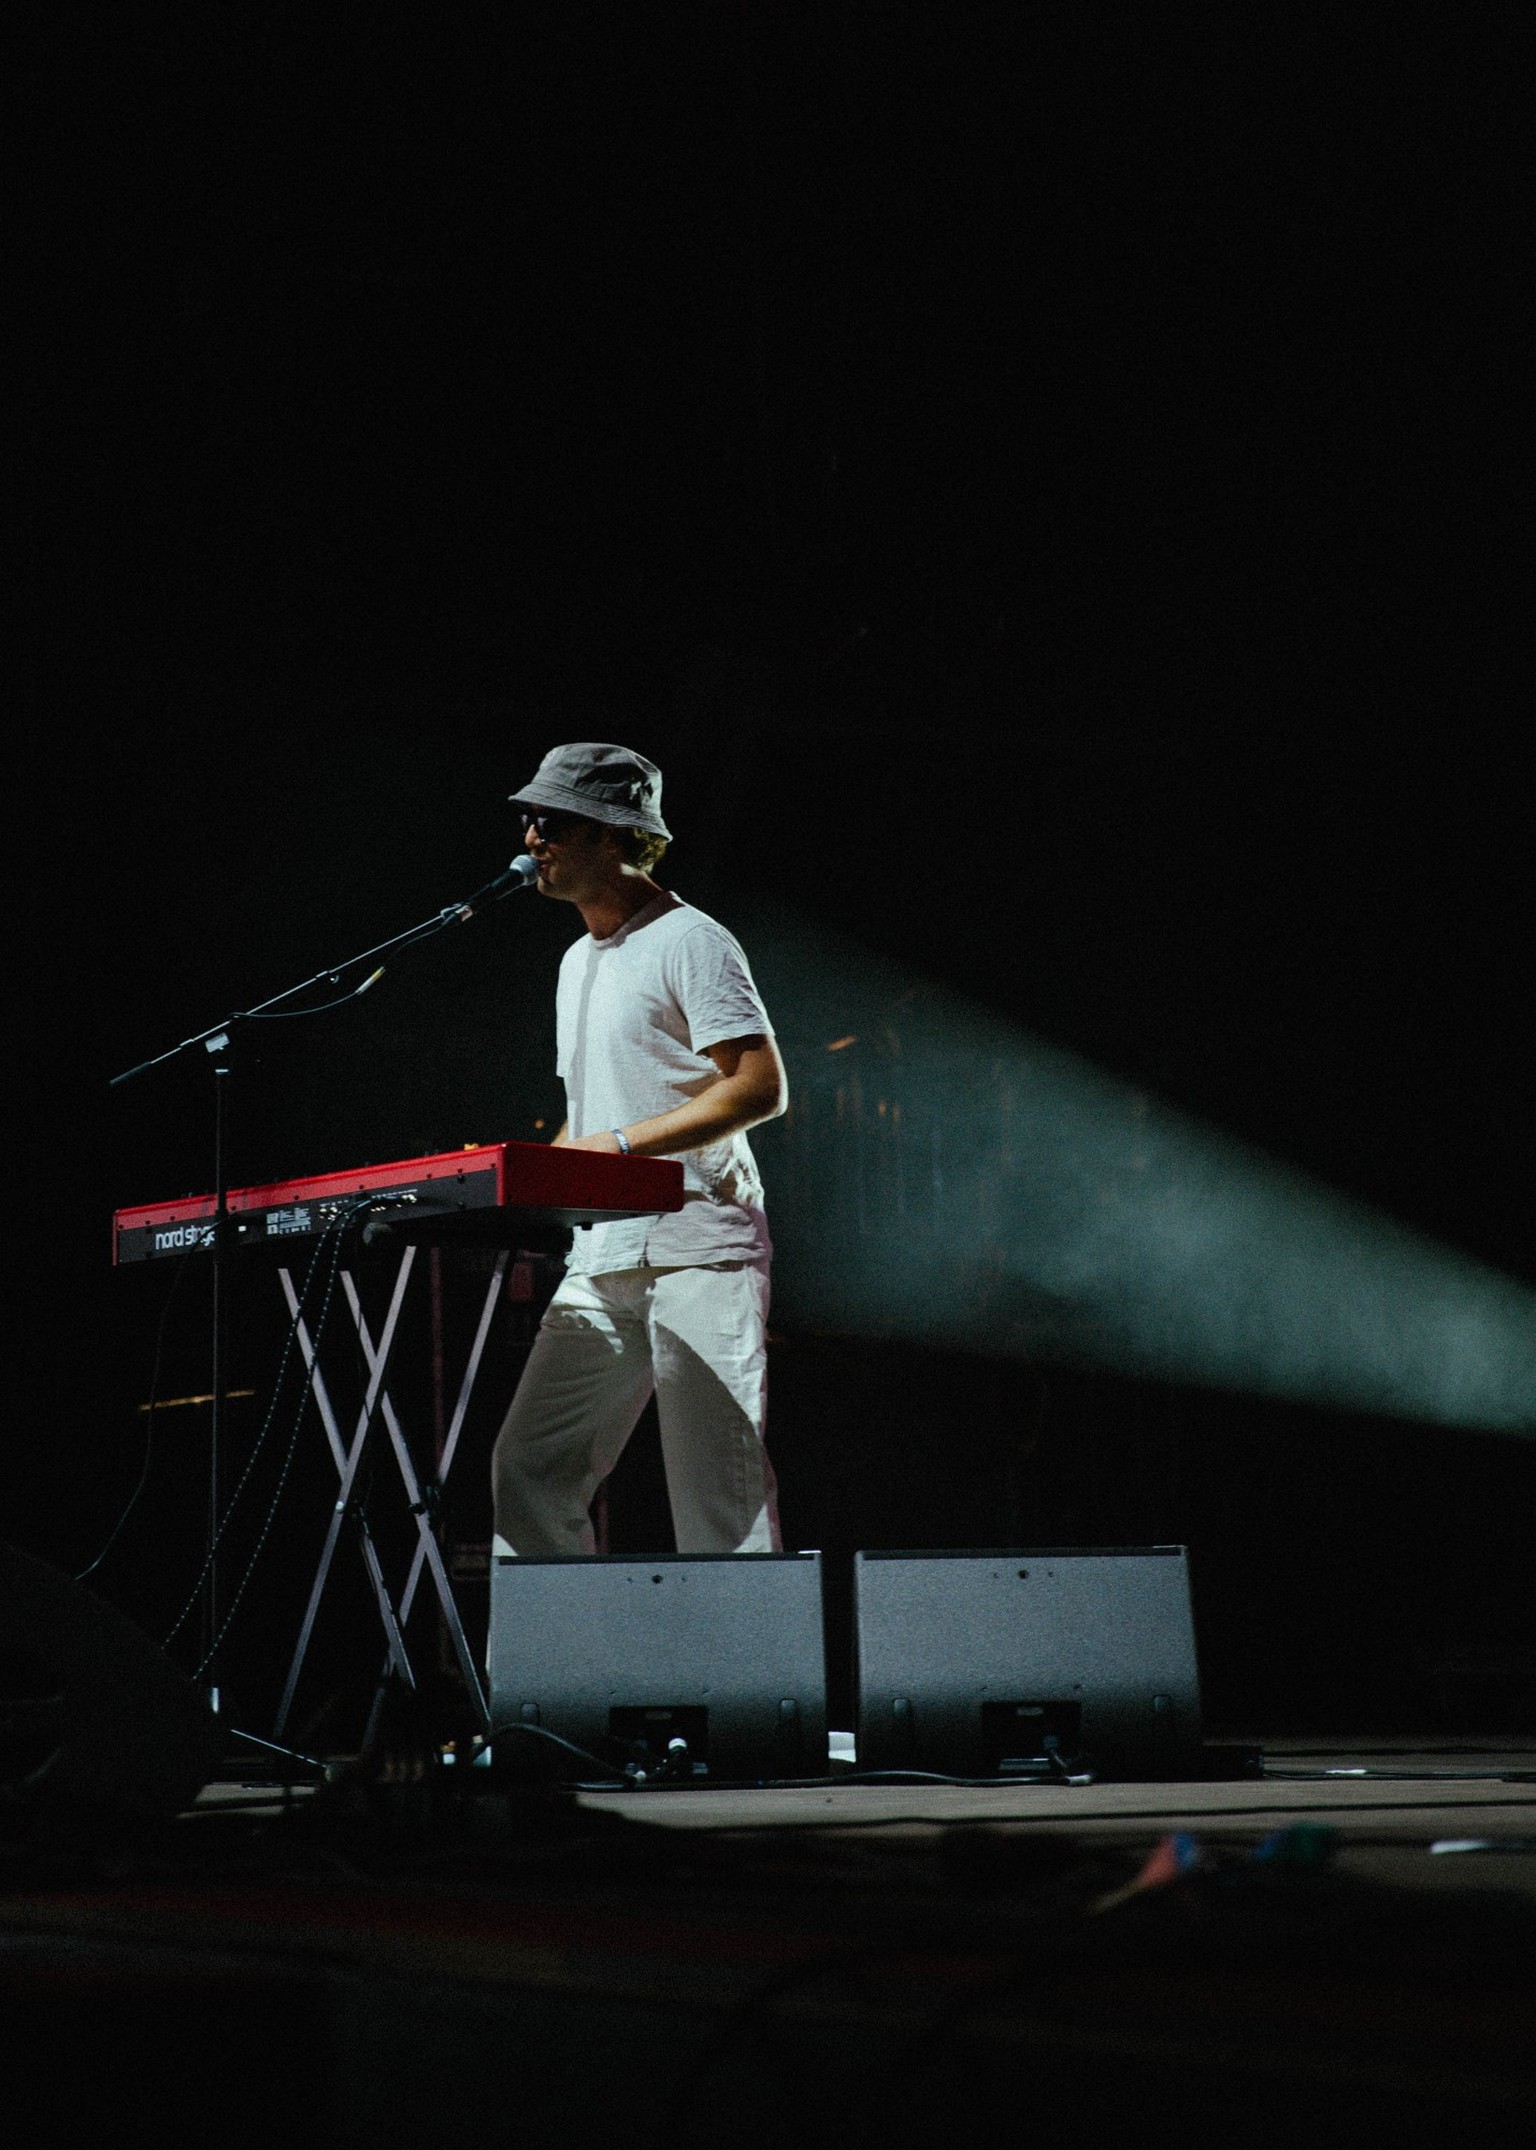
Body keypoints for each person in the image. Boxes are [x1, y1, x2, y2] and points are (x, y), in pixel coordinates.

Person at [490, 741, 787, 1558]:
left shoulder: (693, 940)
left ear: (615, 836)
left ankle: (752, 1687)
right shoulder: (574, 961)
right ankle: (573, 1677)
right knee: (529, 1469)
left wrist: (615, 1147)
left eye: (553, 822)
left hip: (698, 1244)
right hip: (603, 1255)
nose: (530, 838)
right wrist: (515, 1193)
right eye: (528, 820)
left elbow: (760, 1088)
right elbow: (588, 1115)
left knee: (716, 1497)